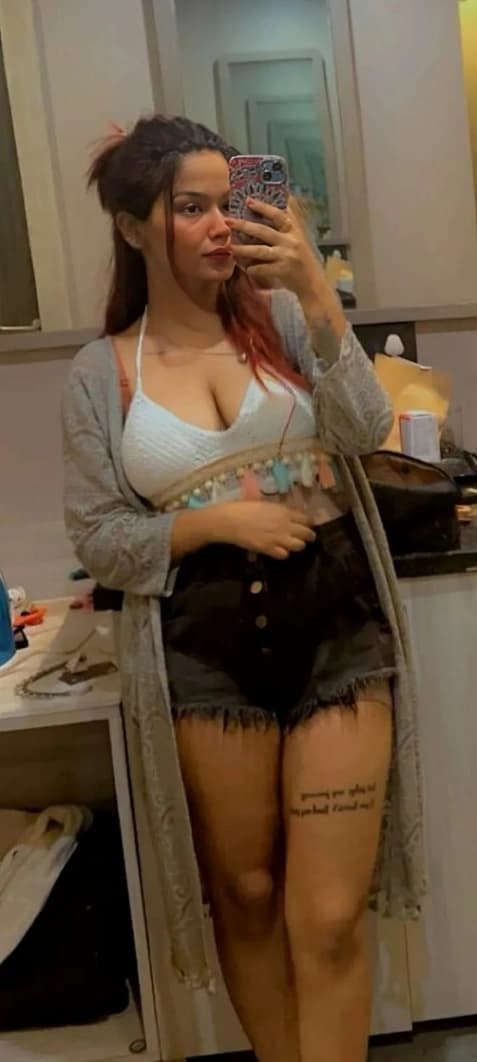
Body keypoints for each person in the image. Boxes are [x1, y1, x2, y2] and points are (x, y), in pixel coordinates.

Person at [62, 115, 425, 1062]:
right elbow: (99, 537)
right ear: (133, 227)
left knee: (329, 914)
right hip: (203, 651)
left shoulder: (288, 324)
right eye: (191, 208)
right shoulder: (102, 373)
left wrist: (316, 290)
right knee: (249, 893)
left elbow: (363, 429)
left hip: (334, 630)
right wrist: (215, 524)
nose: (221, 224)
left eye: (230, 202)